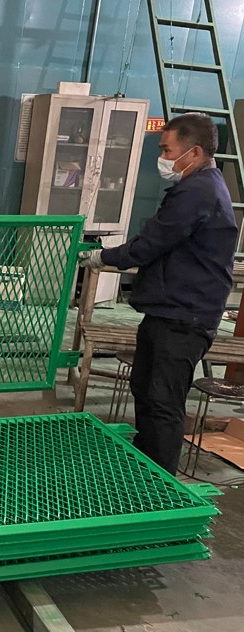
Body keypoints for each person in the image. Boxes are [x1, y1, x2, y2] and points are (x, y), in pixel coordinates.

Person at [78, 112, 238, 475]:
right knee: (146, 389)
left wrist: (103, 257)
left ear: (194, 152)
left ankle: (161, 483)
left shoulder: (198, 192)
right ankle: (145, 466)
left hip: (184, 317)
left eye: (167, 150)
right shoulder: (200, 186)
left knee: (163, 400)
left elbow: (152, 243)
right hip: (170, 311)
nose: (163, 158)